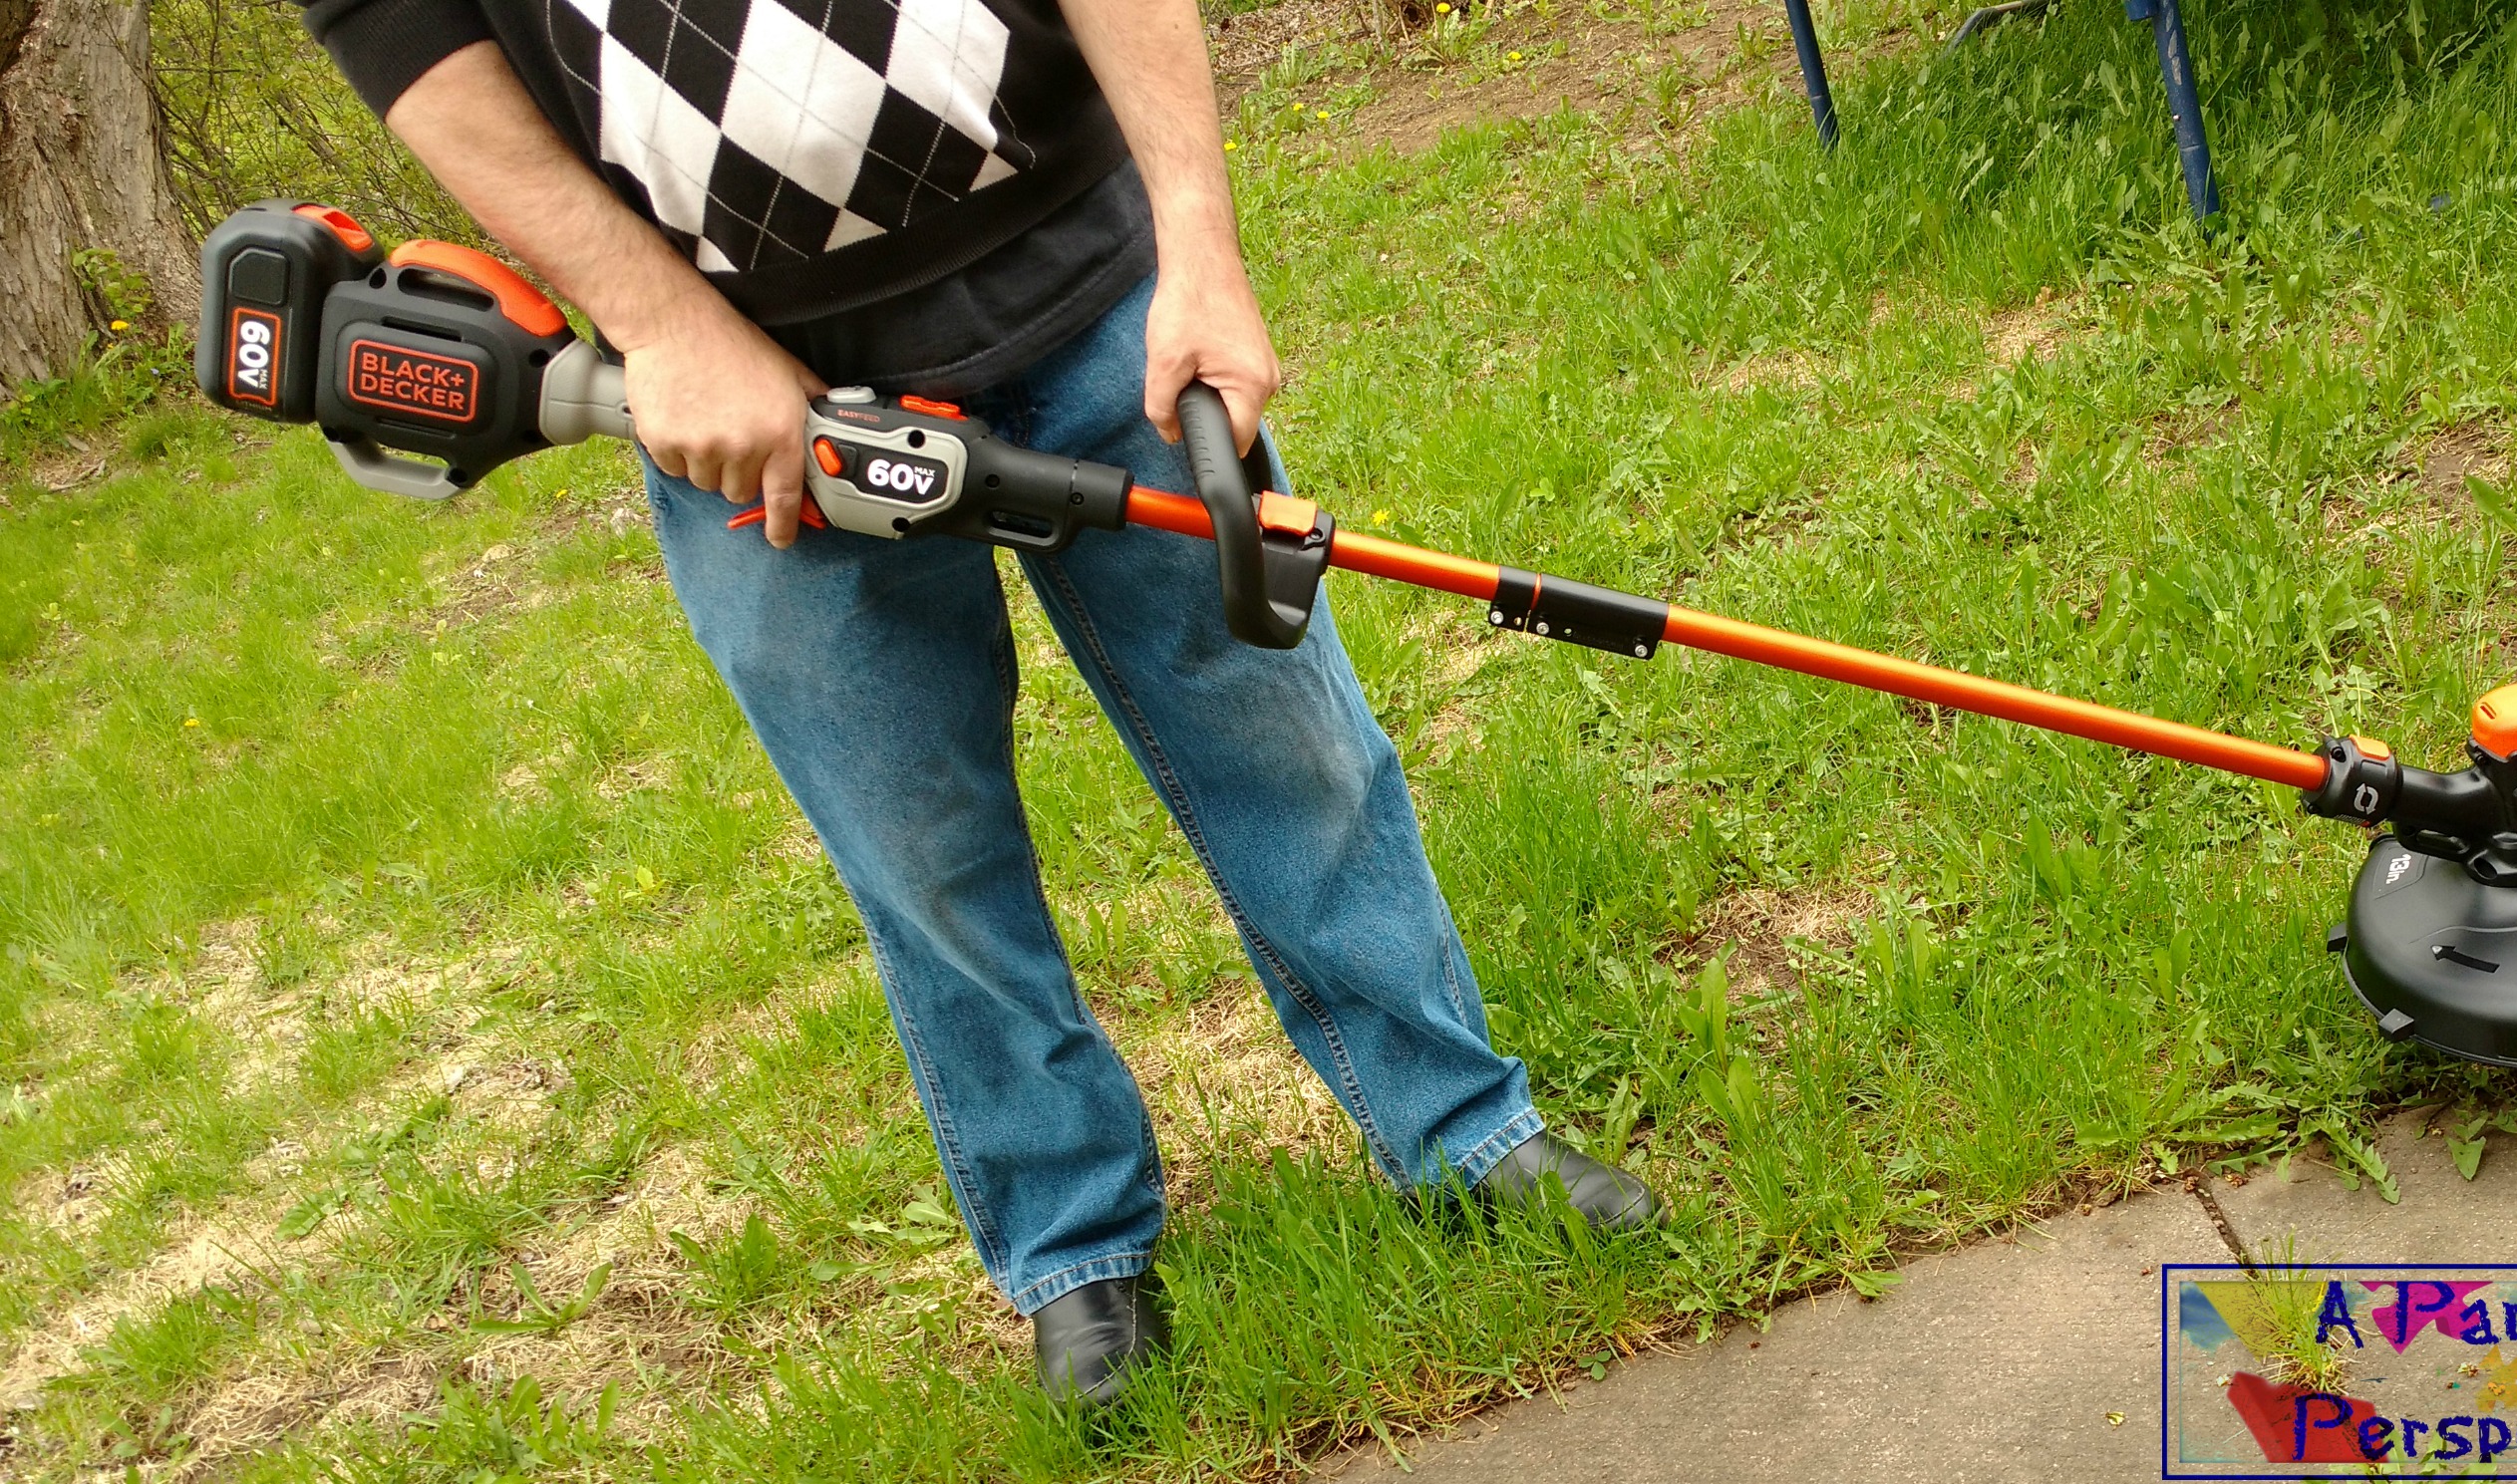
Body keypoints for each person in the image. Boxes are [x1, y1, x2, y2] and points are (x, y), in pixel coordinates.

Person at [296, 0, 1660, 1406]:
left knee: (1282, 735)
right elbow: (392, 21)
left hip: (1089, 285)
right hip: (753, 398)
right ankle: (1075, 1255)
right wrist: (658, 323)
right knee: (923, 851)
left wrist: (1198, 238)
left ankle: (1458, 1129)